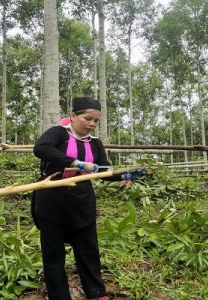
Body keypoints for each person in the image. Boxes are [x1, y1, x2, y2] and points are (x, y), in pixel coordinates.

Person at [32, 97, 143, 300]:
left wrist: (124, 175)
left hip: (82, 200)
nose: (91, 124)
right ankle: (59, 296)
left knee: (88, 249)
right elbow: (41, 148)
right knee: (53, 254)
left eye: (96, 121)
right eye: (87, 118)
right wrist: (76, 162)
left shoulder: (95, 143)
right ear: (73, 116)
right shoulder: (58, 134)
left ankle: (96, 293)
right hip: (52, 199)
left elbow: (103, 169)